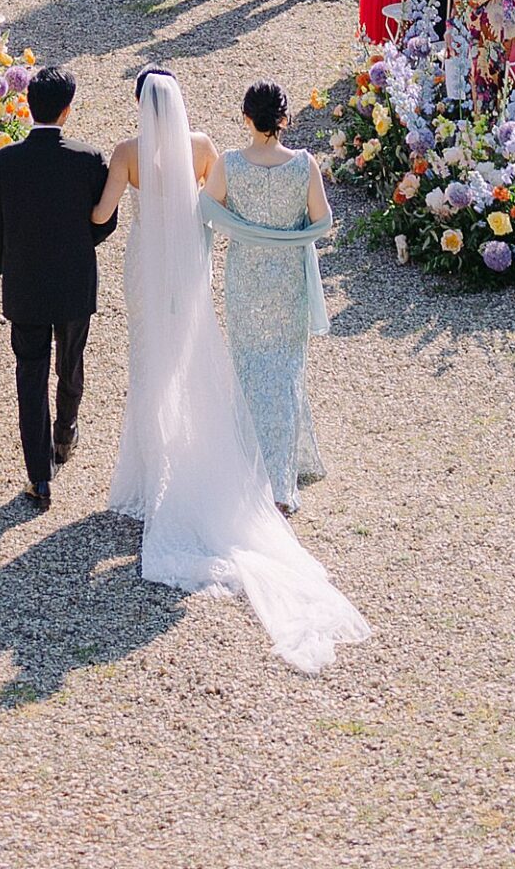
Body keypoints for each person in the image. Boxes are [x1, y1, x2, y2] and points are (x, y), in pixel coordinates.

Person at [96, 68, 368, 673]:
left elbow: (183, 213)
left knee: (188, 365)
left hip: (190, 270)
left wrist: (252, 234)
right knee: (263, 366)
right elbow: (230, 215)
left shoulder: (132, 153)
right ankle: (279, 469)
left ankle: (190, 462)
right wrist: (277, 236)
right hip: (246, 273)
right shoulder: (211, 150)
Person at [0, 63, 116, 509]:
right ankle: (65, 433)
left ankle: (39, 475)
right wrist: (81, 244)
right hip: (75, 278)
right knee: (71, 362)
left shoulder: (3, 162)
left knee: (30, 373)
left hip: (25, 283)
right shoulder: (88, 158)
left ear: (28, 105)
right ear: (67, 110)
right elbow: (104, 221)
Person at [206, 82, 332, 513]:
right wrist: (284, 239)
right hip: (287, 280)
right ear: (284, 118)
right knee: (285, 369)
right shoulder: (303, 165)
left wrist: (251, 233)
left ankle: (250, 469)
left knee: (248, 366)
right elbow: (322, 223)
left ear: (246, 117)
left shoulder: (230, 164)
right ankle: (280, 478)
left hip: (246, 278)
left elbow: (207, 210)